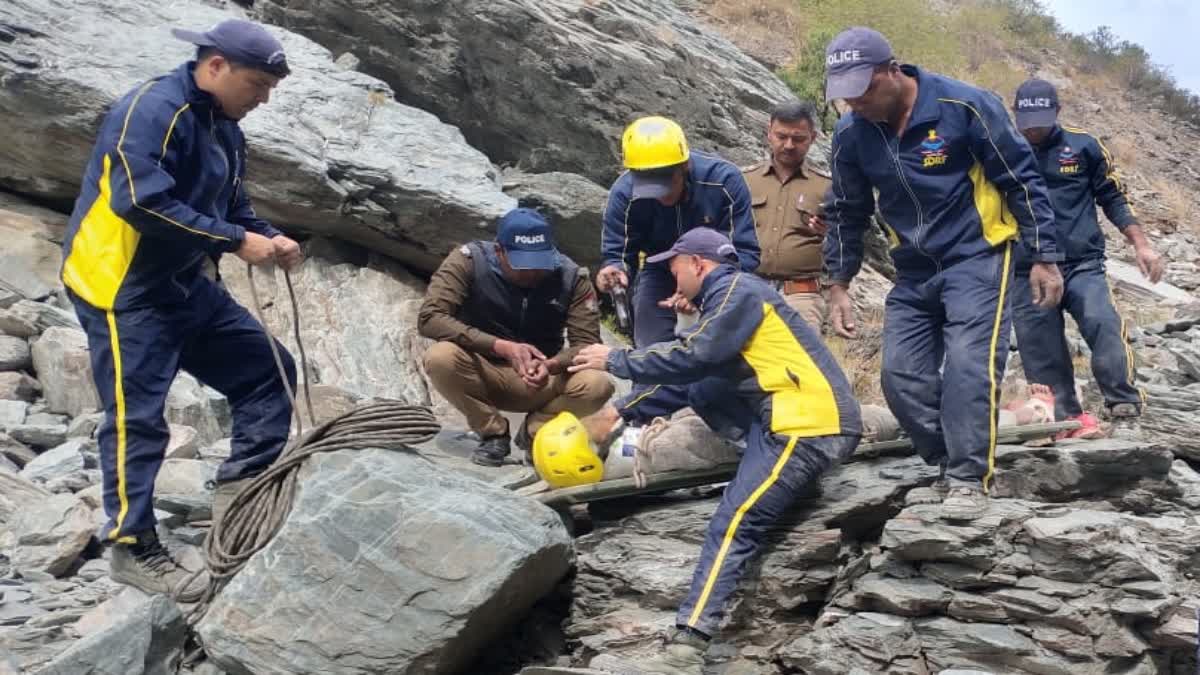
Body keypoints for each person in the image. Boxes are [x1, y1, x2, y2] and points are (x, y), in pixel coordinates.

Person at [60, 19, 301, 601]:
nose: (264, 97)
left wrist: (267, 234)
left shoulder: (225, 127)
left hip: (183, 279)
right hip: (121, 287)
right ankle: (131, 546)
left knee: (269, 370)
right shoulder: (151, 109)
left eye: (271, 87)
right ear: (215, 66)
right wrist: (233, 242)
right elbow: (141, 201)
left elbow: (232, 205)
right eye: (257, 83)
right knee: (136, 418)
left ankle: (239, 495)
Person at [571, 228, 861, 675]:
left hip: (807, 426)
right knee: (705, 390)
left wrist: (616, 360)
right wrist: (620, 412)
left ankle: (689, 642)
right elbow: (698, 377)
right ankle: (759, 470)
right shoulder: (730, 299)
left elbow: (696, 354)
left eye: (676, 269)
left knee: (734, 522)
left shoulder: (736, 289)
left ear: (699, 264)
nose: (673, 280)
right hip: (783, 419)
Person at [821, 27, 1064, 521]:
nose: (855, 104)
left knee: (968, 366)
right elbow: (846, 210)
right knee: (900, 378)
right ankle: (948, 460)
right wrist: (839, 283)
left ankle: (967, 478)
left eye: (863, 90)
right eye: (844, 96)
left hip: (976, 258)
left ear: (893, 70)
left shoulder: (965, 106)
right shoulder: (851, 134)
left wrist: (1043, 255)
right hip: (911, 270)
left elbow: (1021, 179)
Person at [1009, 78, 1159, 439]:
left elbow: (1114, 197)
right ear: (1014, 115)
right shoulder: (1003, 149)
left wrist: (1141, 244)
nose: (1033, 130)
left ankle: (1123, 401)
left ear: (1058, 112)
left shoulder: (1083, 146)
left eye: (1041, 122)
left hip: (1081, 263)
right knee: (1039, 346)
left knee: (1101, 321)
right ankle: (1065, 420)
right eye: (1026, 122)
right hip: (1025, 268)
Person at [592, 116, 760, 432]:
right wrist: (613, 271)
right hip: (660, 268)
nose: (660, 195)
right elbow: (618, 252)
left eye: (666, 182)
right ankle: (644, 425)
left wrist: (705, 289)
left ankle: (712, 417)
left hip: (719, 272)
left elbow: (746, 253)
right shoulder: (624, 193)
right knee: (650, 345)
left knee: (713, 349)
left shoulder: (723, 181)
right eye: (649, 185)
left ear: (684, 166)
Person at [419, 208, 614, 467]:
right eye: (521, 264)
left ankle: (537, 431)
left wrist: (551, 365)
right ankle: (493, 433)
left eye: (539, 264)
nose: (532, 273)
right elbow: (430, 317)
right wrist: (501, 347)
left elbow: (587, 344)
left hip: (541, 378)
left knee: (598, 383)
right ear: (499, 251)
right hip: (480, 370)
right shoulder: (468, 261)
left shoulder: (572, 277)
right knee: (440, 356)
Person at [742, 100, 833, 330]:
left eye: (798, 138)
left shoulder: (827, 187)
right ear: (769, 133)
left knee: (800, 364)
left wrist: (829, 234)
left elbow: (845, 243)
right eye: (781, 136)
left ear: (813, 138)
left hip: (802, 296)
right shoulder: (743, 181)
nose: (789, 145)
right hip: (748, 291)